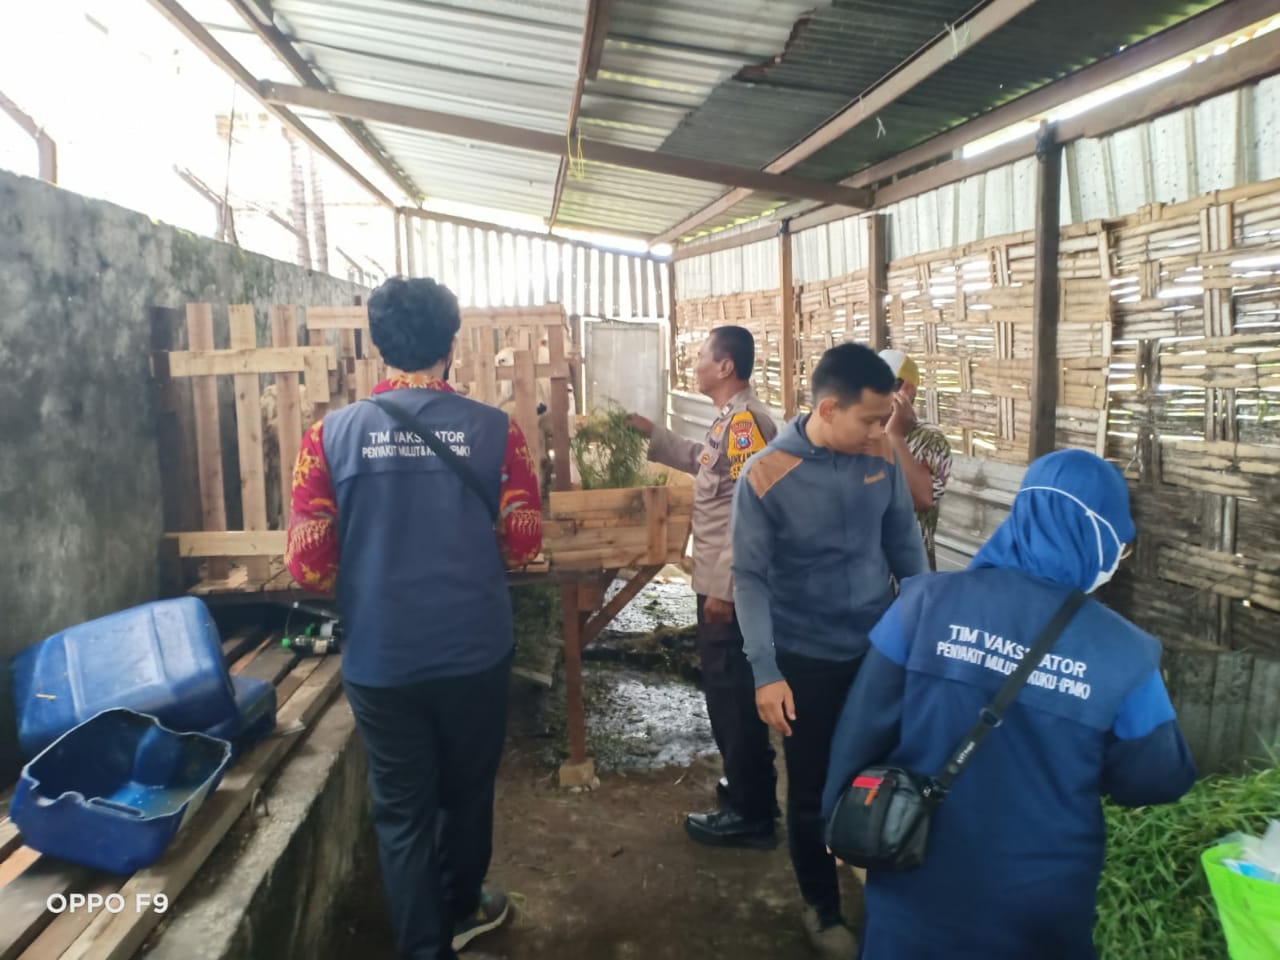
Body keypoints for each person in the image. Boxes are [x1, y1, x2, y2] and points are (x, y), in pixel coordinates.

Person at [822, 448, 1197, 960]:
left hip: (913, 872)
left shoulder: (924, 604)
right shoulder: (1124, 654)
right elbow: (1158, 780)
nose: (1118, 556)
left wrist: (835, 816)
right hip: (1039, 905)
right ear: (1097, 534)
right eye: (1120, 541)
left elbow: (863, 725)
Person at [285, 277, 543, 960]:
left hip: (383, 658)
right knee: (467, 792)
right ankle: (462, 907)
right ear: (451, 344)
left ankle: (423, 947)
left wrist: (365, 562)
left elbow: (307, 565)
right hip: (474, 650)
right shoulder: (497, 432)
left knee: (401, 811)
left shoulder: (328, 437)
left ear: (379, 345)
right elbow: (524, 541)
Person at [732, 342, 928, 956]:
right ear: (827, 408)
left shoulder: (881, 456)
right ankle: (821, 908)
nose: (879, 431)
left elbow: (904, 544)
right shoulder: (764, 474)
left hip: (878, 651)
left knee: (891, 776)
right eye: (870, 420)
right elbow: (749, 579)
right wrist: (766, 671)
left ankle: (888, 891)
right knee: (812, 790)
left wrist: (920, 629)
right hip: (805, 660)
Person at [627, 325, 780, 848]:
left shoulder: (746, 424)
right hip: (719, 579)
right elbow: (703, 461)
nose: (694, 365)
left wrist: (725, 589)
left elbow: (751, 510)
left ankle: (752, 815)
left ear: (725, 366)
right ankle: (748, 789)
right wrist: (652, 433)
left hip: (729, 587)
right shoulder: (730, 422)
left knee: (732, 696)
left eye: (700, 357)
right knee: (726, 692)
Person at [878, 349, 952, 570]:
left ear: (908, 390)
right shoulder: (855, 432)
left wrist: (894, 436)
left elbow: (923, 498)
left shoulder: (930, 438)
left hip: (906, 571)